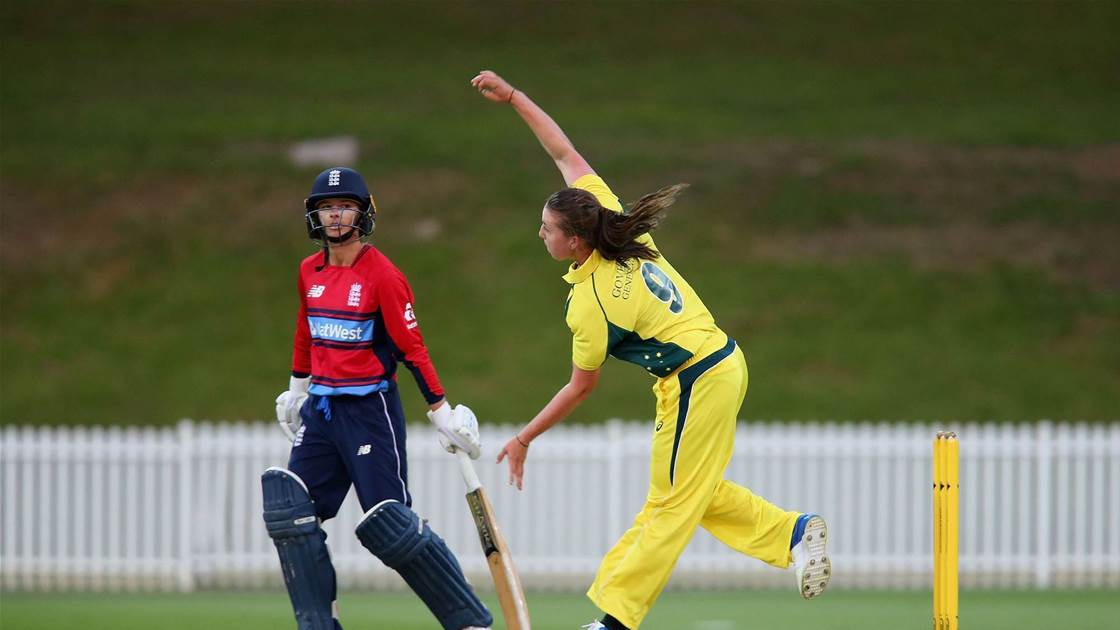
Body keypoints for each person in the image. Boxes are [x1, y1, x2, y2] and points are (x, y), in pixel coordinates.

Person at [471, 70, 831, 630]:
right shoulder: (611, 219)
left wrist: (523, 437)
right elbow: (564, 152)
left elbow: (580, 386)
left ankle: (614, 621)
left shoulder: (590, 302)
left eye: (546, 228)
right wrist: (514, 97)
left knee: (669, 503)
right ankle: (791, 532)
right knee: (687, 492)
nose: (538, 233)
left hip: (697, 378)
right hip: (716, 363)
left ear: (575, 241)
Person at [262, 166, 493, 630]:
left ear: (364, 213)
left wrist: (441, 412)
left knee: (389, 525)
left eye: (344, 206)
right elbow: (305, 333)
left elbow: (412, 348)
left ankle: (468, 621)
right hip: (322, 412)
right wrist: (296, 390)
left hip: (370, 411)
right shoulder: (310, 271)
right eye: (326, 208)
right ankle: (318, 624)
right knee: (290, 511)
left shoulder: (384, 276)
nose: (335, 216)